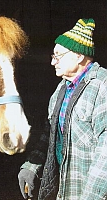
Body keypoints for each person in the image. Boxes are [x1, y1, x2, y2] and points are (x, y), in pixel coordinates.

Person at [18, 18, 107, 200]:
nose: (53, 62)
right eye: (53, 56)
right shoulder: (63, 88)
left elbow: (104, 155)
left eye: (58, 56)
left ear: (79, 56)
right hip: (63, 189)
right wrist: (31, 166)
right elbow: (50, 132)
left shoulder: (101, 87)